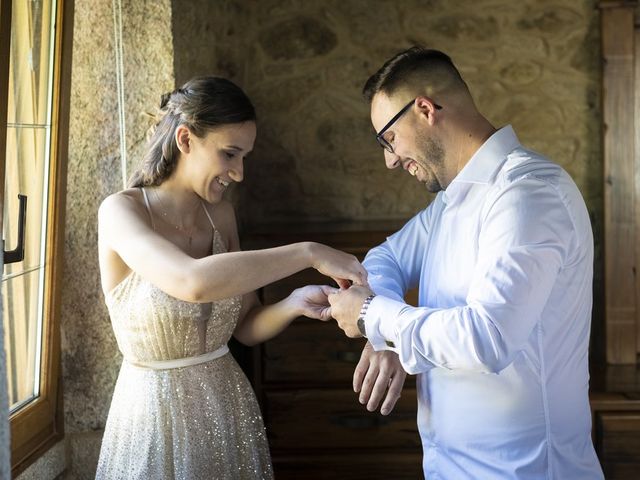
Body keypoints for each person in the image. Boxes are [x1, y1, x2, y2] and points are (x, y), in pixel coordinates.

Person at [328, 47, 604, 479]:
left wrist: (371, 317)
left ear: (424, 109)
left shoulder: (527, 194)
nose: (389, 159)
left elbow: (486, 337)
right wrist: (385, 339)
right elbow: (385, 258)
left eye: (389, 138)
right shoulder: (450, 202)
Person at [95, 76, 372, 479]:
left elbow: (244, 326)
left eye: (244, 157)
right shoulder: (121, 212)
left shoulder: (220, 216)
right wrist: (309, 252)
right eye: (229, 154)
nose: (238, 173)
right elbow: (192, 282)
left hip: (228, 412)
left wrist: (293, 304)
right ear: (186, 140)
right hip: (154, 422)